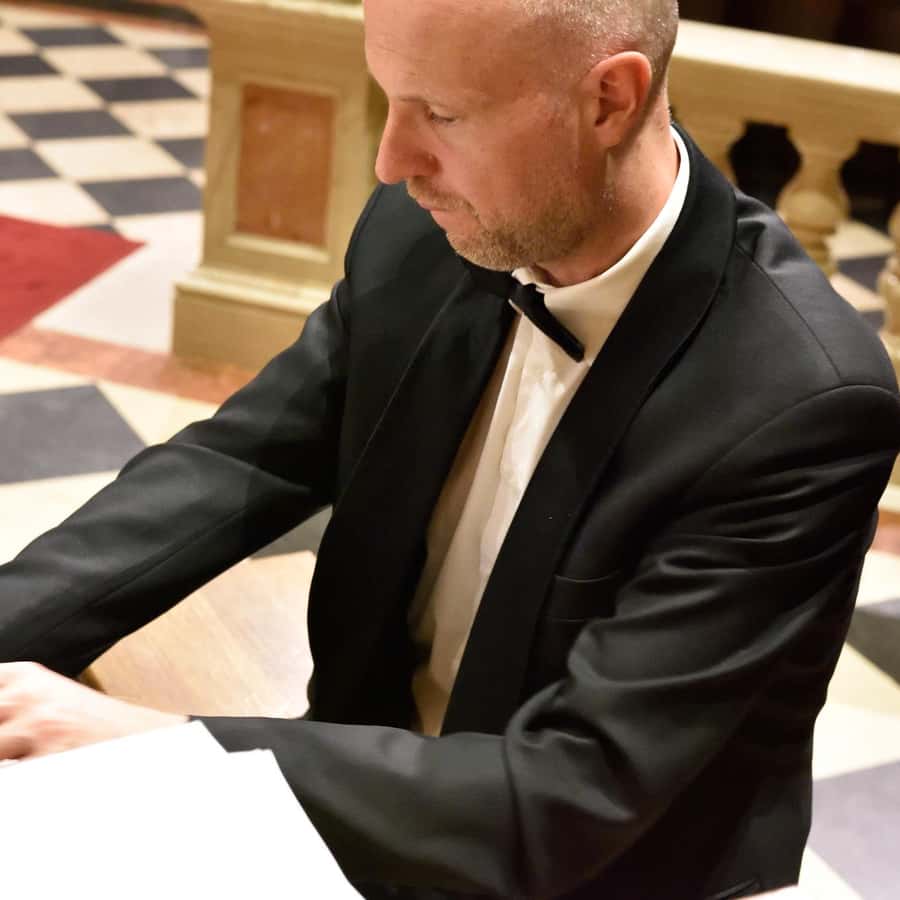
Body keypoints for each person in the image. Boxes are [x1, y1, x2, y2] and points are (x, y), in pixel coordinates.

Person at [0, 0, 898, 896]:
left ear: (609, 101)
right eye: (388, 99)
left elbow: (574, 792)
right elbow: (238, 460)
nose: (393, 162)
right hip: (355, 796)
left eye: (442, 114)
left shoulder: (801, 403)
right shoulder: (432, 229)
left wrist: (158, 750)